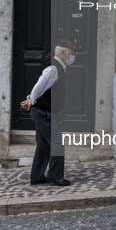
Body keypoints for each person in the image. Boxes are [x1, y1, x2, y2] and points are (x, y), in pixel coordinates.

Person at [20, 39, 77, 187]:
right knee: (58, 142)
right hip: (44, 113)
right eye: (70, 54)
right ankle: (55, 176)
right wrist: (31, 101)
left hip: (43, 112)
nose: (71, 57)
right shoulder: (53, 68)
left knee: (43, 145)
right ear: (63, 52)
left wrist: (31, 101)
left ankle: (37, 176)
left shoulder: (59, 67)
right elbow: (39, 87)